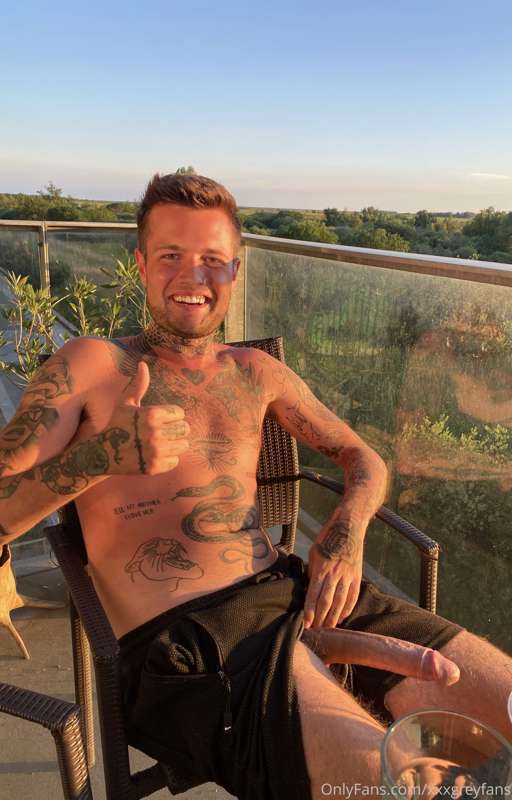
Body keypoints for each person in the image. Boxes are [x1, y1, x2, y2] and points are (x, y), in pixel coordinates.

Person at [0, 174, 510, 800]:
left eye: (212, 259)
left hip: (299, 593)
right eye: (171, 255)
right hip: (189, 641)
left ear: (235, 271)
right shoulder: (89, 364)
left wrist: (345, 536)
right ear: (141, 264)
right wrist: (97, 458)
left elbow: (364, 457)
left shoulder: (256, 371)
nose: (193, 276)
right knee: (396, 784)